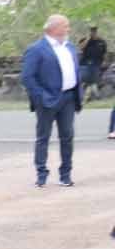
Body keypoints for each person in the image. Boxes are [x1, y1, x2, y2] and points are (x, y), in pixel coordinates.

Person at [21, 14, 83, 187]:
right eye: (65, 26)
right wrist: (40, 96)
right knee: (43, 137)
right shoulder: (37, 49)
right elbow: (27, 77)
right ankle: (41, 174)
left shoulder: (69, 47)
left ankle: (65, 174)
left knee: (67, 137)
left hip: (69, 98)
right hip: (47, 100)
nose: (68, 29)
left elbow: (76, 72)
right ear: (54, 28)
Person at [78, 26, 104, 102]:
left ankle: (92, 97)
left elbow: (104, 53)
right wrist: (88, 38)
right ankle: (83, 97)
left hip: (96, 65)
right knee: (83, 81)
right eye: (92, 31)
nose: (93, 33)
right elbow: (81, 47)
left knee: (93, 82)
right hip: (85, 64)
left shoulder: (101, 41)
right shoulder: (85, 40)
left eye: (95, 31)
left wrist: (102, 62)